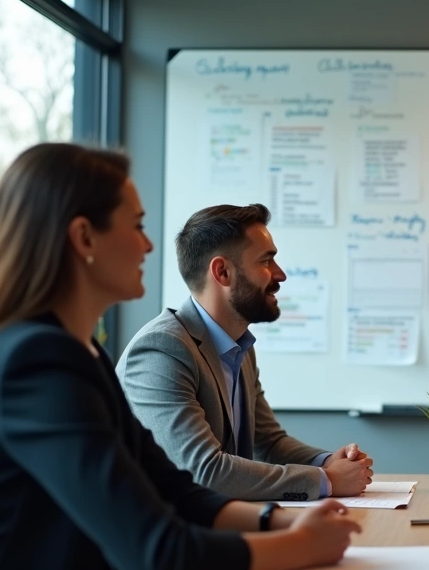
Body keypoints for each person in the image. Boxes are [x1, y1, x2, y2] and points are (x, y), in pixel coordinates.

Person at [0, 144, 361, 570]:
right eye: (137, 226)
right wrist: (298, 547)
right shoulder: (35, 364)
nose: (149, 246)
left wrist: (283, 520)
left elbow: (174, 490)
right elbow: (163, 556)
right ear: (84, 237)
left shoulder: (83, 355)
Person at [117, 204, 372, 501]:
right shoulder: (162, 350)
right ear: (222, 272)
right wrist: (325, 480)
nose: (280, 275)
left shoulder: (238, 346)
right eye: (266, 261)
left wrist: (326, 461)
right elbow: (204, 471)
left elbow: (269, 443)